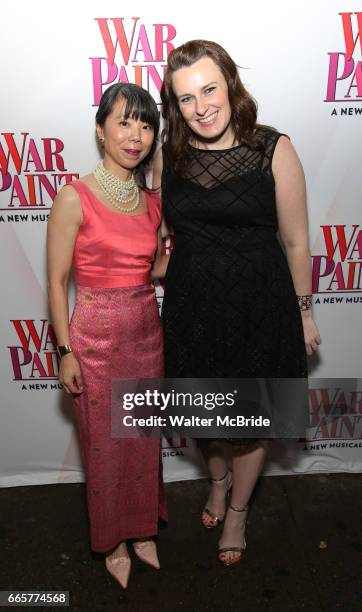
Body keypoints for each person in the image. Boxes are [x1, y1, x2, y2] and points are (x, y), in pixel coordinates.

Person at [154, 40, 321, 566]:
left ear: (230, 84)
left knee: (250, 424)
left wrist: (304, 313)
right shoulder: (170, 154)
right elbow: (158, 236)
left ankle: (239, 512)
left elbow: (296, 242)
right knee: (206, 414)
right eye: (185, 98)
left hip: (259, 305)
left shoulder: (273, 148)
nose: (201, 106)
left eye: (209, 89)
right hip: (193, 305)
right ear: (174, 106)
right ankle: (218, 481)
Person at [47, 83, 167, 589]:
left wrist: (178, 252)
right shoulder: (74, 197)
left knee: (141, 439)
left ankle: (141, 530)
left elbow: (154, 270)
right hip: (93, 340)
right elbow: (55, 282)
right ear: (101, 129)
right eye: (124, 122)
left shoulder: (151, 202)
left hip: (145, 334)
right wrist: (65, 352)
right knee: (103, 445)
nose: (135, 135)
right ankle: (113, 539)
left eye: (145, 124)